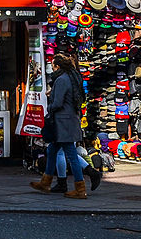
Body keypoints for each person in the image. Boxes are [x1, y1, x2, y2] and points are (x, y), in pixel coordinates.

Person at [31, 53, 88, 199]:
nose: (52, 68)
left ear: (58, 66)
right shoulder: (71, 77)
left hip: (64, 122)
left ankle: (80, 188)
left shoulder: (62, 79)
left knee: (71, 154)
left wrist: (49, 104)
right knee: (51, 150)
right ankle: (46, 181)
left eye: (53, 65)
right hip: (67, 121)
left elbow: (58, 103)